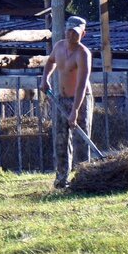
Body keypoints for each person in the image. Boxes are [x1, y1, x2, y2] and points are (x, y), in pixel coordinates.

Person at [40, 15, 93, 189]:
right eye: (69, 31)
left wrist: (75, 110)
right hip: (61, 99)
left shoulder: (83, 54)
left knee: (80, 140)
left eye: (76, 33)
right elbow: (50, 62)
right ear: (65, 30)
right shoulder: (59, 46)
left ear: (83, 34)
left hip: (81, 100)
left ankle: (84, 179)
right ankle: (61, 179)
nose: (72, 35)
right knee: (61, 140)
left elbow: (81, 84)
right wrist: (45, 79)